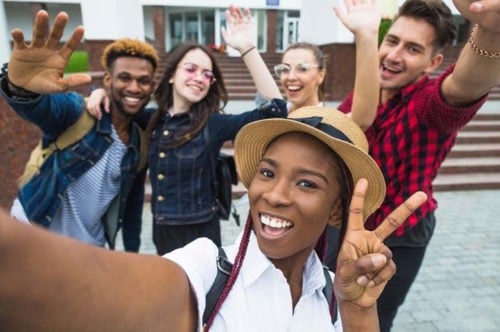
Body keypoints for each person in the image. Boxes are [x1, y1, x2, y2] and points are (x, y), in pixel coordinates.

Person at [0, 105, 428, 331]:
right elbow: (66, 286)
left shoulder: (332, 294)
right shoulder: (207, 269)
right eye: (267, 172)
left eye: (307, 184)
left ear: (338, 207)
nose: (273, 196)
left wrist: (356, 310)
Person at [336, 0, 500, 330]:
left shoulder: (428, 104)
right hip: (342, 226)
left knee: (374, 320)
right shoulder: (362, 94)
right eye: (392, 41)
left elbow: (464, 85)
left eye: (413, 49)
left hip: (399, 236)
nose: (395, 55)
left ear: (432, 62)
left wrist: (491, 29)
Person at [87, 6, 287, 255]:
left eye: (207, 75)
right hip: (161, 230)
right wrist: (97, 91)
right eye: (190, 69)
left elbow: (276, 112)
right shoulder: (150, 119)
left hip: (200, 232)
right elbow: (117, 102)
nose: (199, 78)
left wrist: (247, 48)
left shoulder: (213, 124)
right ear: (171, 75)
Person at [226, 0, 381, 270]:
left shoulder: (334, 125)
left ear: (321, 75)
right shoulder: (276, 119)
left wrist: (366, 38)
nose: (291, 77)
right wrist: (247, 48)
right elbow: (270, 97)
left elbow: (364, 116)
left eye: (302, 68)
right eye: (284, 69)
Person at [0, 10, 158, 252]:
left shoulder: (140, 145)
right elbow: (42, 109)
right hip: (32, 235)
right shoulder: (79, 112)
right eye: (124, 78)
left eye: (143, 80)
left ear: (152, 86)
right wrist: (21, 89)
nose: (134, 87)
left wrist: (131, 257)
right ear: (107, 80)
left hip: (88, 249)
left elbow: (133, 207)